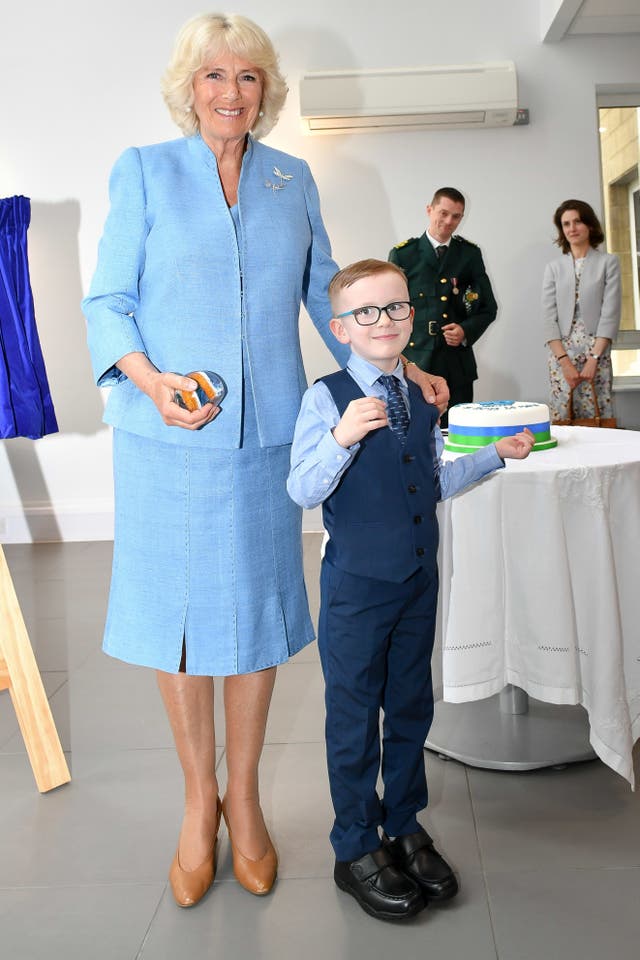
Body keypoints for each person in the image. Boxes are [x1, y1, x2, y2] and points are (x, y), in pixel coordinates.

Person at [82, 13, 447, 910]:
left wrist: (401, 365)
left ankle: (243, 800)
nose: (231, 92)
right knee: (178, 621)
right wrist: (150, 378)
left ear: (265, 92)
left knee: (252, 618)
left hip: (266, 443)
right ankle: (194, 799)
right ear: (188, 87)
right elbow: (108, 299)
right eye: (214, 76)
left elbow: (330, 298)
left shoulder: (292, 179)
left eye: (248, 77)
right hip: (168, 436)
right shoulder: (145, 170)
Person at [287, 259, 533, 921]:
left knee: (409, 705)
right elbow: (302, 488)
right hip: (357, 588)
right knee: (352, 715)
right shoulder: (326, 397)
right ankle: (354, 844)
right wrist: (342, 436)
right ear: (340, 326)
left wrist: (491, 458)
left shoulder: (419, 395)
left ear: (411, 316)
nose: (384, 321)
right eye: (366, 312)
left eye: (395, 308)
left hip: (418, 581)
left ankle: (403, 822)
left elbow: (428, 483)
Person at [389, 187, 497, 425]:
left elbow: (489, 307)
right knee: (416, 431)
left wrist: (466, 331)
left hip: (456, 365)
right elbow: (392, 309)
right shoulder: (404, 255)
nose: (449, 221)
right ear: (430, 210)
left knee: (459, 433)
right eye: (443, 213)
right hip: (415, 361)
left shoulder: (469, 255)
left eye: (456, 216)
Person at [542, 199, 621, 421]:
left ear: (590, 225)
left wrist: (594, 358)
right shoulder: (553, 268)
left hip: (596, 351)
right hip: (561, 354)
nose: (572, 228)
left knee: (597, 415)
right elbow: (549, 319)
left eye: (577, 222)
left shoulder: (608, 263)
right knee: (563, 415)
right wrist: (564, 362)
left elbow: (611, 313)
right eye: (566, 224)